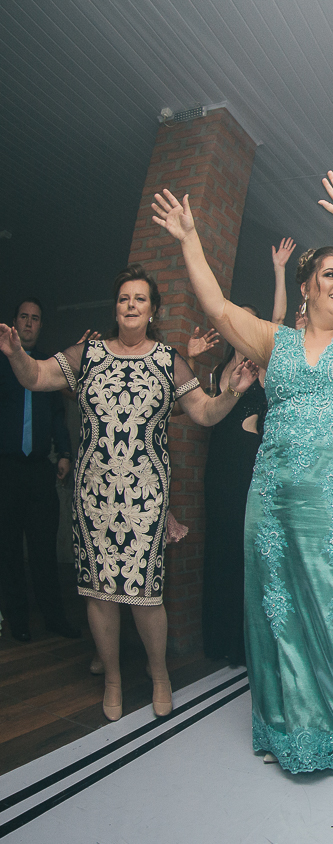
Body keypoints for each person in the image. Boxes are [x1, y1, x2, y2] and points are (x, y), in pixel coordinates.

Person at [152, 171, 333, 779]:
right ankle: (288, 729)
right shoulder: (275, 342)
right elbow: (218, 306)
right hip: (272, 502)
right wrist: (191, 240)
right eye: (330, 274)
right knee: (280, 620)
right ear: (305, 287)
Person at [0, 267, 256, 721]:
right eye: (123, 299)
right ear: (116, 308)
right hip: (94, 494)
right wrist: (17, 354)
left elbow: (203, 412)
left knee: (146, 593)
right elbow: (36, 377)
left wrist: (232, 392)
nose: (131, 305)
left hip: (146, 496)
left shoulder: (167, 360)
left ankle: (159, 675)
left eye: (140, 299)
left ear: (153, 310)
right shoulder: (89, 355)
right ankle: (114, 680)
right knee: (99, 592)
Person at [201, 240, 292, 666]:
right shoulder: (219, 370)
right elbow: (203, 410)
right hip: (221, 466)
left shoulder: (265, 367)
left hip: (255, 468)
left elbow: (277, 320)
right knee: (220, 547)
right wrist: (199, 362)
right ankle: (219, 641)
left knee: (250, 550)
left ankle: (247, 644)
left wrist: (278, 271)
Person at [0, 298, 79, 642]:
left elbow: (59, 416)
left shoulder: (49, 367)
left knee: (44, 547)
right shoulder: (2, 363)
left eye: (35, 319)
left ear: (41, 325)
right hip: (5, 469)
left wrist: (64, 452)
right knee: (8, 548)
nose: (29, 324)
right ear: (14, 323)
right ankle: (17, 621)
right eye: (24, 318)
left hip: (40, 469)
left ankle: (54, 618)